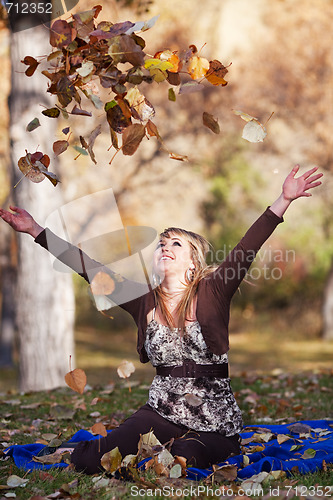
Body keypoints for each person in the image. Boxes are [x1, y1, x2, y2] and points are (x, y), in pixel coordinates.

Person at [0, 165, 322, 474]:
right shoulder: (143, 301)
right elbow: (90, 268)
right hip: (161, 413)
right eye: (161, 244)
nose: (165, 247)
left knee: (179, 462)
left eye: (176, 244)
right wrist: (36, 230)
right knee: (92, 460)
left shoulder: (213, 291)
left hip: (212, 421)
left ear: (193, 265)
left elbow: (247, 246)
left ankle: (205, 447)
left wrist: (284, 200)